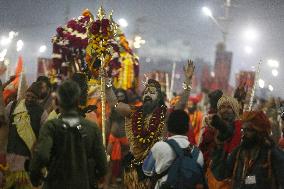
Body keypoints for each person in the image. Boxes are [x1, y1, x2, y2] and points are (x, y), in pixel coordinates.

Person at [104, 60, 195, 189]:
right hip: (134, 169)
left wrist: (188, 80)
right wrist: (107, 84)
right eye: (146, 92)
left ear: (159, 98)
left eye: (152, 93)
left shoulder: (165, 114)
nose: (147, 94)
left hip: (157, 167)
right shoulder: (133, 112)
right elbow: (113, 103)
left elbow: (182, 103)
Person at [29, 80, 107, 189]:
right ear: (77, 101)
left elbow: (42, 154)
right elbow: (103, 165)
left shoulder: (51, 127)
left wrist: (35, 176)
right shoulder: (91, 128)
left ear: (57, 101)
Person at [211, 111, 284, 189]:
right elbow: (220, 174)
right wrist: (219, 147)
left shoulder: (272, 154)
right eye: (243, 130)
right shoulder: (239, 151)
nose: (244, 134)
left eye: (248, 130)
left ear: (260, 131)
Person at [0, 82, 46, 189]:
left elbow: (43, 137)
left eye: (33, 97)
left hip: (26, 159)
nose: (29, 99)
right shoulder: (12, 106)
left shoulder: (42, 113)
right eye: (28, 96)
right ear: (25, 94)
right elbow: (4, 124)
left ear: (38, 98)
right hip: (9, 157)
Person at [142, 110, 204, 189]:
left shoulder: (159, 147)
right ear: (188, 127)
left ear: (168, 127)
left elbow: (146, 171)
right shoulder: (198, 153)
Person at [205, 95, 242, 189]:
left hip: (230, 175)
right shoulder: (211, 128)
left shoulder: (240, 128)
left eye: (229, 107)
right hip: (212, 172)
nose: (225, 110)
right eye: (222, 107)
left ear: (235, 110)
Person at [105, 88, 130, 188]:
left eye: (121, 96)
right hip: (113, 138)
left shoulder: (128, 108)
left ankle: (125, 184)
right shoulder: (112, 109)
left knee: (126, 164)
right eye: (118, 96)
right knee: (108, 162)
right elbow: (109, 123)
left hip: (125, 139)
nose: (120, 98)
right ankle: (107, 183)